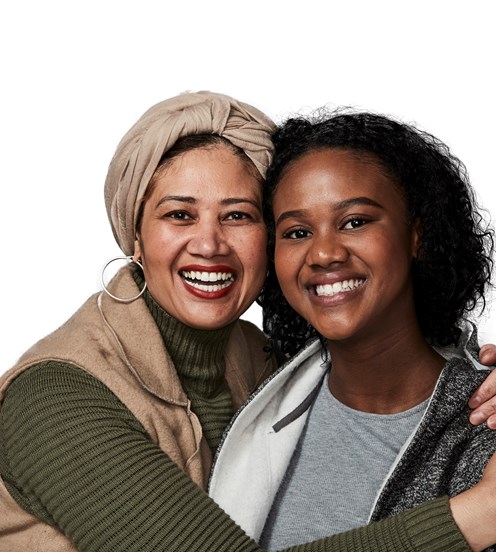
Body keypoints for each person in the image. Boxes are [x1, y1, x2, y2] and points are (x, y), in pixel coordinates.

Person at [1, 92, 496, 552]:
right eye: (179, 215)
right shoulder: (55, 396)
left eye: (238, 216)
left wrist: (477, 371)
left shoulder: (263, 364)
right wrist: (474, 516)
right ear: (134, 237)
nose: (210, 244)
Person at [208, 109, 496, 551]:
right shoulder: (256, 395)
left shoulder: (483, 429)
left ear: (417, 234)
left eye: (355, 222)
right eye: (298, 231)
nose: (323, 253)